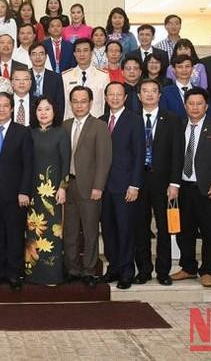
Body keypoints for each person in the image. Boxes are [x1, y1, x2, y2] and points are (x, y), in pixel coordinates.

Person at [170, 88, 211, 288]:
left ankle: (207, 271)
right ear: (185, 106)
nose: (195, 107)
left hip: (208, 188)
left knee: (210, 232)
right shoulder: (178, 126)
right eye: (191, 103)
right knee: (184, 231)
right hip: (183, 188)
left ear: (206, 106)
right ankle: (188, 267)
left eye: (199, 104)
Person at [0, 92, 33, 291]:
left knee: (15, 235)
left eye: (5, 106)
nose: (1, 109)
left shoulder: (23, 132)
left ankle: (14, 274)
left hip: (16, 194)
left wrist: (24, 191)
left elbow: (28, 165)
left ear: (11, 109)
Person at [134, 79, 183, 286]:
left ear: (160, 95)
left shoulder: (172, 119)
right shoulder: (132, 119)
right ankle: (143, 270)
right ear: (139, 96)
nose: (149, 94)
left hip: (163, 182)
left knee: (164, 228)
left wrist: (175, 183)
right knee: (140, 227)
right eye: (145, 91)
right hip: (138, 181)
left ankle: (163, 271)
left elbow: (178, 154)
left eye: (154, 91)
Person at [62, 86, 112, 287]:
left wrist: (98, 186)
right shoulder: (65, 125)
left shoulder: (99, 126)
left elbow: (104, 159)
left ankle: (89, 271)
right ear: (70, 103)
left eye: (83, 101)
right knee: (70, 232)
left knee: (90, 232)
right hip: (69, 186)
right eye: (75, 101)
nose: (79, 105)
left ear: (90, 103)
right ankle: (72, 269)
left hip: (90, 187)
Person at [99, 82, 144, 290]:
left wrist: (135, 185)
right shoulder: (100, 121)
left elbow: (139, 155)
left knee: (125, 229)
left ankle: (126, 271)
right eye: (111, 94)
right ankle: (114, 267)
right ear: (105, 97)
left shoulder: (134, 120)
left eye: (119, 94)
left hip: (125, 186)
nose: (115, 98)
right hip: (103, 186)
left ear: (125, 97)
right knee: (108, 230)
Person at [24, 96, 69, 286]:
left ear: (54, 112)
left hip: (52, 193)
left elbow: (66, 162)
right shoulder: (29, 133)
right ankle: (33, 275)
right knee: (33, 232)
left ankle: (52, 275)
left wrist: (63, 187)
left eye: (47, 109)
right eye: (40, 109)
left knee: (52, 232)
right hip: (33, 192)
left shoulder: (61, 133)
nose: (43, 113)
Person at [62, 38, 109, 120]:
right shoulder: (65, 76)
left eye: (85, 50)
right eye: (78, 51)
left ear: (91, 53)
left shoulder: (103, 76)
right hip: (72, 122)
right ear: (74, 54)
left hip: (96, 122)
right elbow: (64, 104)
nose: (82, 54)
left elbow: (106, 103)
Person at [29, 42, 64, 124]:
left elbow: (60, 103)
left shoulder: (56, 77)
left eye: (41, 54)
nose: (38, 57)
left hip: (50, 122)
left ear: (46, 56)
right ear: (30, 57)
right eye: (34, 54)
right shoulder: (24, 76)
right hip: (28, 121)